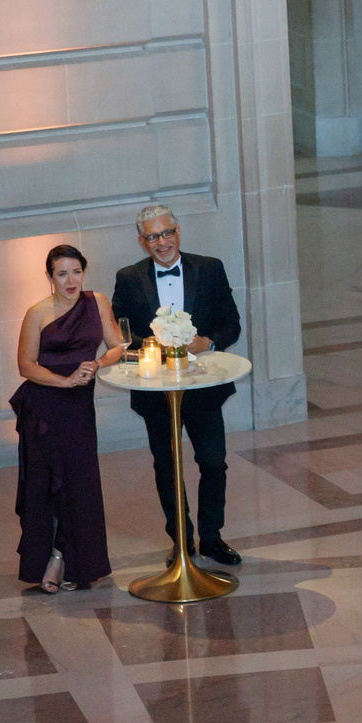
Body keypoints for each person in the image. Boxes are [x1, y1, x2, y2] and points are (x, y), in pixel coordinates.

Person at [111, 205, 243, 567]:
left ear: (178, 232)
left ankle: (212, 538)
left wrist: (208, 342)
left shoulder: (210, 268)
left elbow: (231, 323)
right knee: (167, 465)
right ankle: (180, 540)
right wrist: (151, 346)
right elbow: (121, 333)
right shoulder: (128, 277)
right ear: (142, 242)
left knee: (213, 462)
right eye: (152, 236)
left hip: (202, 386)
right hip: (156, 390)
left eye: (167, 233)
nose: (162, 242)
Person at [13, 245, 124, 592]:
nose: (71, 280)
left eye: (76, 271)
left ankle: (69, 561)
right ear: (49, 277)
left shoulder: (97, 302)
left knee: (79, 485)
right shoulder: (37, 313)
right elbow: (26, 365)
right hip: (44, 407)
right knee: (46, 486)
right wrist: (63, 380)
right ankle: (48, 560)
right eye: (62, 273)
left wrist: (97, 365)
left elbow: (118, 346)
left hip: (78, 407)